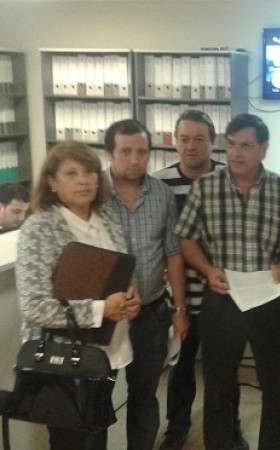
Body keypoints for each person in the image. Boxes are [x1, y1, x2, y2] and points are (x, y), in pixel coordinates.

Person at [174, 113, 280, 450]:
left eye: (246, 146)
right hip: (222, 298)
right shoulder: (205, 188)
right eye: (231, 145)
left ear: (263, 149)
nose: (236, 153)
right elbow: (186, 239)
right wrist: (207, 270)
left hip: (269, 299)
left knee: (275, 387)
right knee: (218, 387)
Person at [15, 141, 141, 449]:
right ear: (52, 182)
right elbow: (34, 306)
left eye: (89, 172)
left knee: (96, 430)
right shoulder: (39, 228)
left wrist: (130, 298)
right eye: (71, 174)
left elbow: (122, 270)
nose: (83, 181)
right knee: (71, 440)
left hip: (107, 349)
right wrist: (100, 310)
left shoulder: (107, 217)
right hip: (63, 356)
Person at [152, 109, 247, 450]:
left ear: (213, 141)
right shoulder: (160, 183)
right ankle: (177, 427)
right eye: (184, 139)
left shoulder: (230, 177)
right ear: (175, 141)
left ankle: (230, 428)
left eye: (199, 139)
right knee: (181, 367)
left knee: (225, 370)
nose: (190, 146)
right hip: (179, 295)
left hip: (224, 293)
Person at [103, 119, 189, 450]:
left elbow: (173, 254)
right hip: (106, 319)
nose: (135, 160)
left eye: (142, 152)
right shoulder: (93, 194)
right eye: (125, 152)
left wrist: (179, 309)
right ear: (109, 154)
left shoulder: (162, 194)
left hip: (151, 314)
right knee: (99, 395)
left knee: (144, 394)